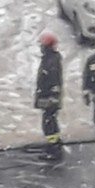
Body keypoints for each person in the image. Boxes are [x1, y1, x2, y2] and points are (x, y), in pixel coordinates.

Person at [34, 32, 64, 161]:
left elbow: (54, 79)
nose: (41, 47)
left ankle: (54, 149)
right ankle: (55, 145)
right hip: (47, 95)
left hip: (49, 97)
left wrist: (53, 96)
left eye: (43, 45)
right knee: (50, 121)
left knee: (49, 124)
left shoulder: (51, 61)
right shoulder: (50, 58)